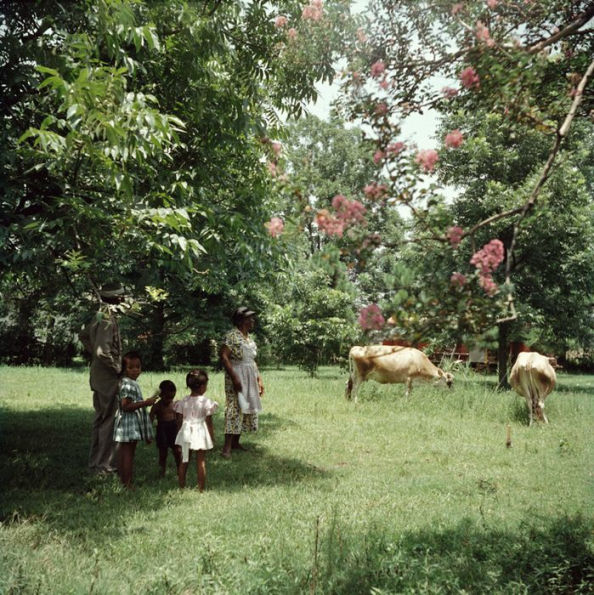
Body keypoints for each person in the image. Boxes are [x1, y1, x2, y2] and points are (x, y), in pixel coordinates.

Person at [79, 281, 125, 475]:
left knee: (100, 420)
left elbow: (83, 336)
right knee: (109, 421)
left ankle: (95, 463)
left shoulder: (98, 316)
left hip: (98, 374)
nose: (124, 299)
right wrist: (118, 368)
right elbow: (102, 351)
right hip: (107, 377)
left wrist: (95, 355)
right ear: (115, 298)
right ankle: (103, 467)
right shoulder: (106, 318)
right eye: (121, 296)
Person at [219, 307, 264, 459]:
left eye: (252, 318)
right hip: (237, 374)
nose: (252, 321)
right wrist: (234, 377)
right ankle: (226, 448)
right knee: (234, 408)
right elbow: (224, 357)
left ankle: (236, 443)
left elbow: (252, 361)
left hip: (249, 375)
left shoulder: (249, 338)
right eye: (249, 318)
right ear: (240, 320)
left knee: (245, 407)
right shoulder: (232, 336)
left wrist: (259, 379)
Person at [113, 351, 158, 488]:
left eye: (138, 367)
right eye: (131, 367)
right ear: (124, 369)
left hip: (125, 424)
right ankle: (127, 483)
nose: (135, 370)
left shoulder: (127, 382)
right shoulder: (128, 384)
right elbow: (126, 406)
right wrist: (145, 403)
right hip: (129, 424)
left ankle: (123, 481)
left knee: (124, 453)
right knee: (128, 455)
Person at [174, 370, 218, 491]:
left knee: (184, 460)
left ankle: (181, 487)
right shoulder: (206, 402)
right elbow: (209, 422)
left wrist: (179, 434)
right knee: (201, 461)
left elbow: (178, 420)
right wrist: (211, 436)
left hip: (186, 431)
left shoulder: (183, 402)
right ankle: (201, 489)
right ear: (203, 386)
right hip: (200, 431)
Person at [149, 380, 181, 477]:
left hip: (173, 428)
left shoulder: (175, 404)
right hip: (162, 428)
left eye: (172, 397)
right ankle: (161, 472)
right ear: (161, 395)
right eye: (167, 397)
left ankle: (180, 470)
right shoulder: (157, 406)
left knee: (177, 451)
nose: (169, 400)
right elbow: (150, 419)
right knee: (163, 452)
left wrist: (181, 430)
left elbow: (179, 418)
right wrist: (148, 434)